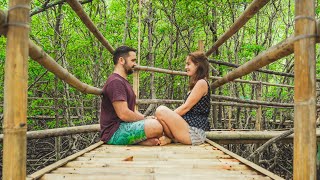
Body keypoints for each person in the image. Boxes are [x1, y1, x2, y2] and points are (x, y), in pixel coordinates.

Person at [100, 46, 163, 146]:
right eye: (133, 60)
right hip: (114, 132)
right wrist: (145, 120)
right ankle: (139, 141)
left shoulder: (123, 81)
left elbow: (132, 110)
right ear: (121, 60)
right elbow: (123, 113)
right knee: (156, 126)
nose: (135, 64)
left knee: (157, 121)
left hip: (125, 126)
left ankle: (139, 141)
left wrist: (145, 117)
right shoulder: (115, 82)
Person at [155, 51, 210, 146]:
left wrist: (166, 115)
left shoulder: (202, 83)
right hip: (186, 129)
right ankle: (172, 139)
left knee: (161, 110)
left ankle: (172, 138)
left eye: (188, 64)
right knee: (161, 117)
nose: (186, 67)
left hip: (194, 134)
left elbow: (186, 107)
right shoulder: (196, 84)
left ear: (197, 65)